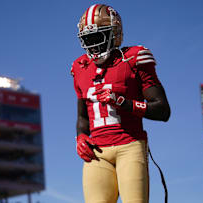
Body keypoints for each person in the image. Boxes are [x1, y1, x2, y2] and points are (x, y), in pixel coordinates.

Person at [71, 4, 171, 203]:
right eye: (88, 39)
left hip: (130, 145)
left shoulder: (133, 58)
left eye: (98, 38)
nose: (93, 46)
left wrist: (124, 103)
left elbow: (163, 110)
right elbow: (83, 116)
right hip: (97, 151)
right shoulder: (80, 67)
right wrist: (81, 137)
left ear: (114, 34)